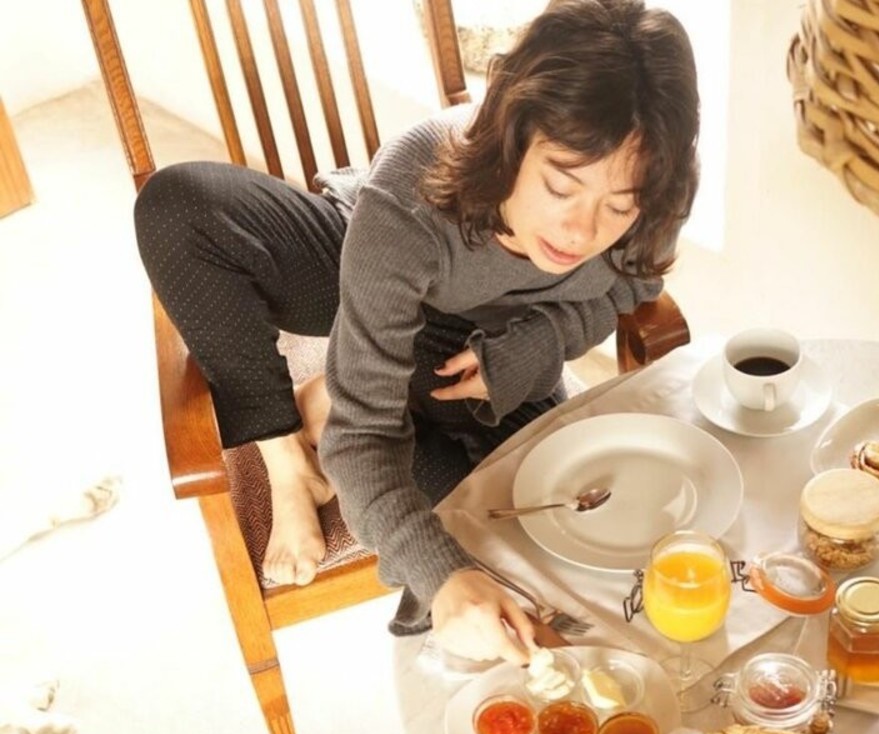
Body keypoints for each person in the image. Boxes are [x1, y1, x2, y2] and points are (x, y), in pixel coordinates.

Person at [134, 0, 699, 664]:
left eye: (617, 206)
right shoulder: (410, 198)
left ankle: (343, 388)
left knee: (520, 543)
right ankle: (289, 457)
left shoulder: (654, 181)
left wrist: (538, 344)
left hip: (474, 357)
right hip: (370, 264)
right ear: (512, 136)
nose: (580, 231)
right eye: (560, 186)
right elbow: (364, 439)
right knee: (177, 206)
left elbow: (631, 289)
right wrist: (439, 573)